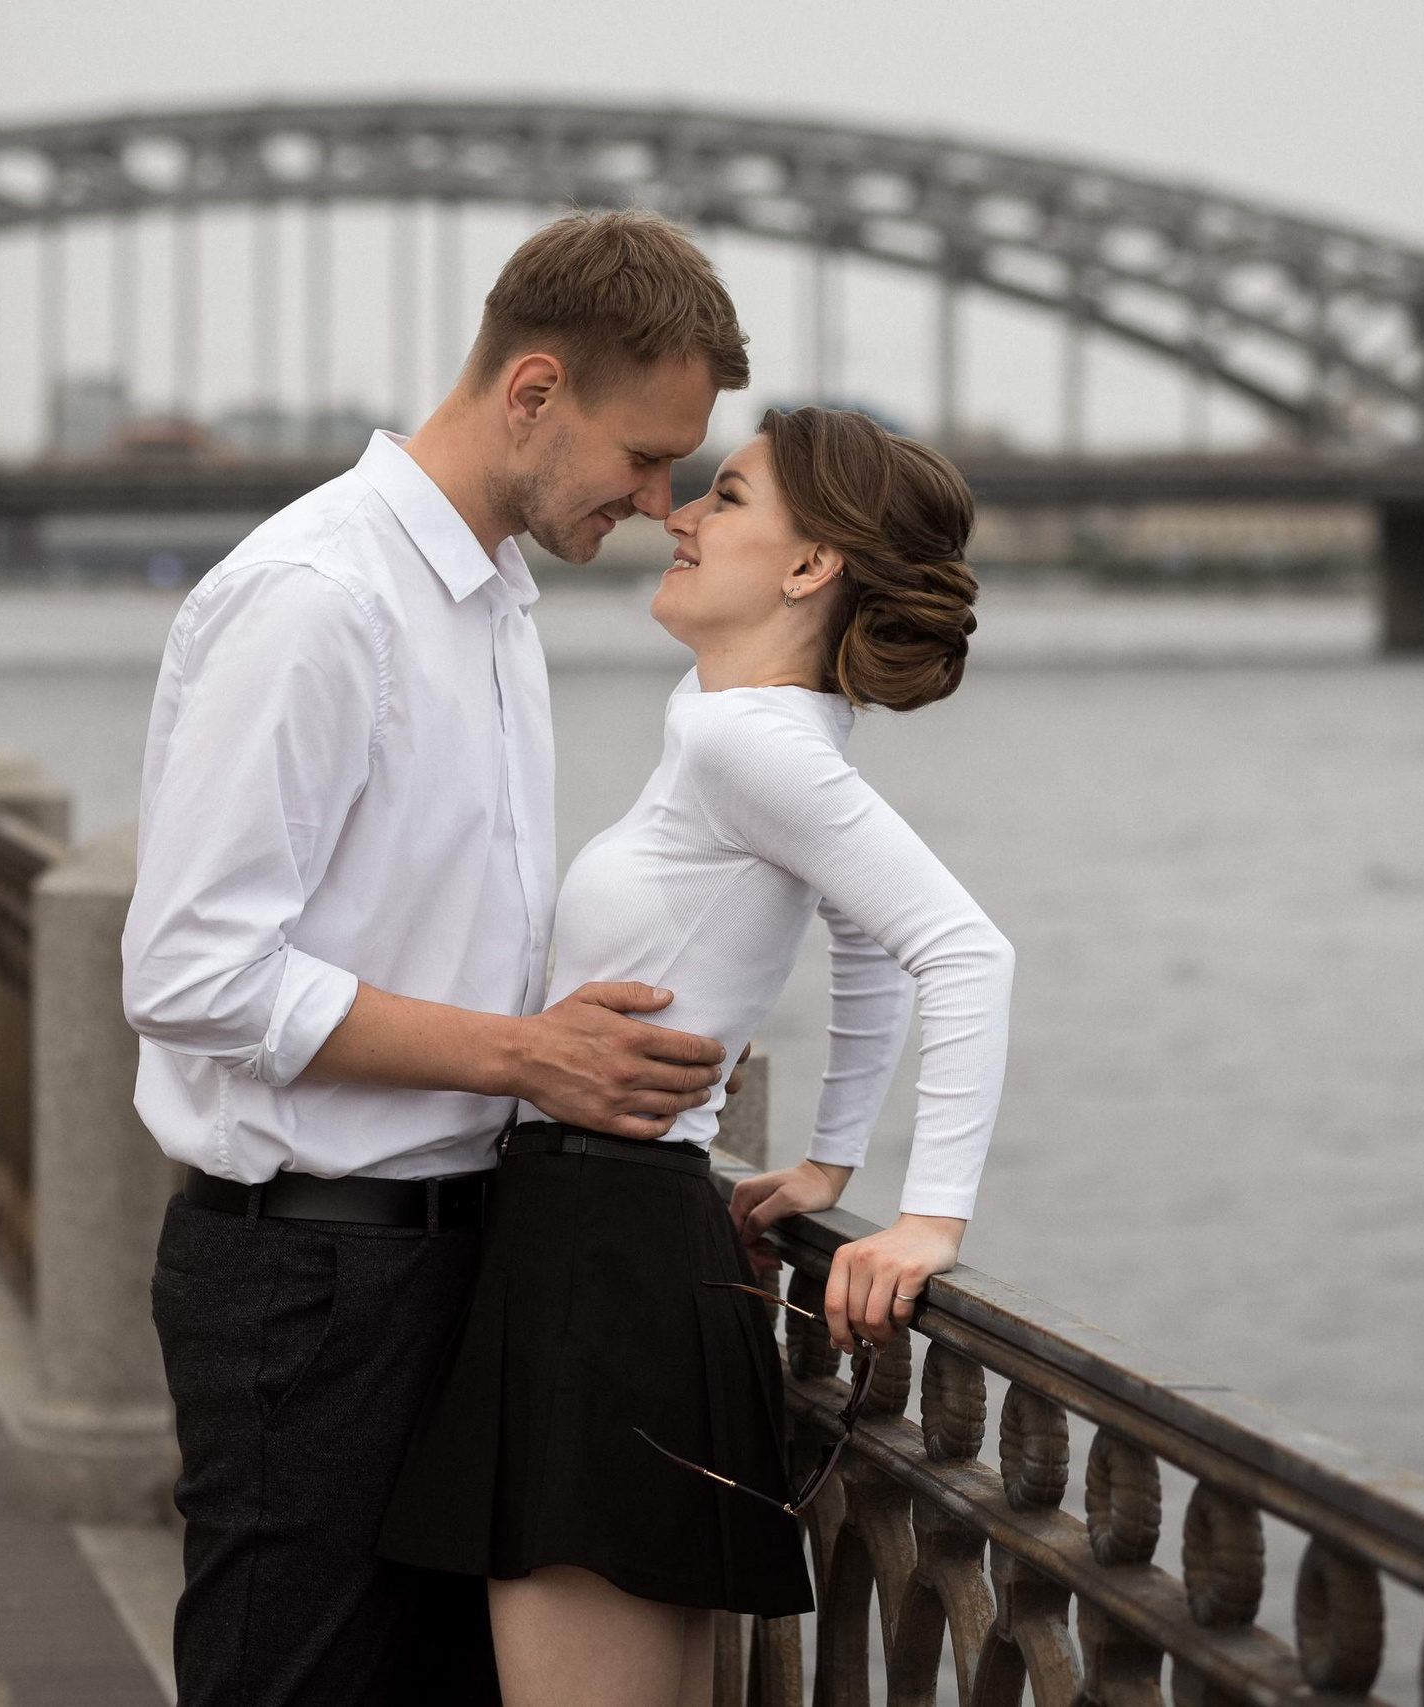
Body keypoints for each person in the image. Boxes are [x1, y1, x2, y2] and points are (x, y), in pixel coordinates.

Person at [120, 210, 752, 1707]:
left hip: (460, 1260)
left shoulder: (491, 602)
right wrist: (529, 1055)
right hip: (311, 1280)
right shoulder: (320, 600)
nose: (661, 503)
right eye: (644, 457)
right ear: (533, 392)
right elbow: (191, 972)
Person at [378, 406, 1017, 1707]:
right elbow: (861, 938)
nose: (677, 514)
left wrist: (930, 1218)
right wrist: (830, 1158)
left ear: (809, 566)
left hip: (602, 1254)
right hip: (620, 1242)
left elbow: (963, 952)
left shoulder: (747, 742)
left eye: (726, 497)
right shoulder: (743, 724)